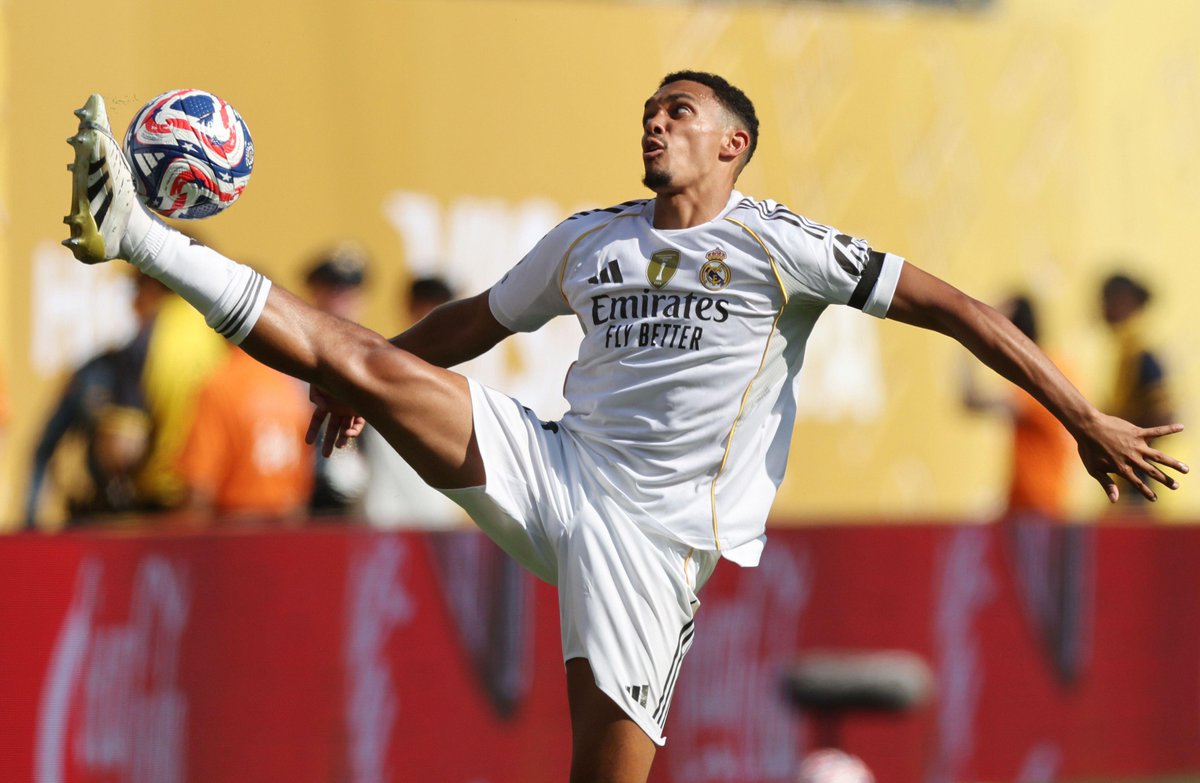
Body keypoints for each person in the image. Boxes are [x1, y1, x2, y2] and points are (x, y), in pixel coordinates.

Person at [63, 73, 1187, 782]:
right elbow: (474, 318)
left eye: (680, 113)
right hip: (557, 466)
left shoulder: (779, 244)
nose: (656, 124)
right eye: (649, 111)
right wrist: (381, 382)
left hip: (654, 540)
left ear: (732, 146)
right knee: (353, 356)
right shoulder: (589, 239)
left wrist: (1082, 414)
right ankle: (139, 232)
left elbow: (960, 310)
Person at [360, 275, 465, 529]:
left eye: (443, 305)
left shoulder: (460, 373)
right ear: (409, 306)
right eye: (427, 304)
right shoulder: (380, 362)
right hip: (384, 514)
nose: (435, 314)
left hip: (435, 516)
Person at [960, 294, 1075, 520]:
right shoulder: (1056, 366)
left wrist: (967, 335)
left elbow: (973, 401)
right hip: (1037, 501)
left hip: (1036, 504)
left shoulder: (1039, 374)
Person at [176, 345, 314, 523]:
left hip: (233, 532)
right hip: (287, 527)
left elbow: (199, 489)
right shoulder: (291, 387)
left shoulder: (220, 383)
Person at [302, 244, 371, 516]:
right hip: (302, 499)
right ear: (314, 290)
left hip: (356, 504)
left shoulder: (375, 357)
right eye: (332, 288)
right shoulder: (293, 351)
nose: (340, 299)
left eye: (349, 290)